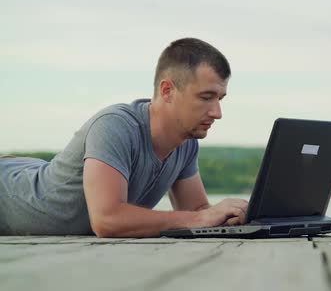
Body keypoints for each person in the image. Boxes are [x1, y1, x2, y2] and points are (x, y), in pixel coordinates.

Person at [0, 38, 249, 237]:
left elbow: (196, 212)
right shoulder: (115, 125)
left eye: (220, 99)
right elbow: (107, 219)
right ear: (167, 90)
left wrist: (232, 214)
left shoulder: (187, 143)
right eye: (206, 97)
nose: (217, 113)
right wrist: (200, 218)